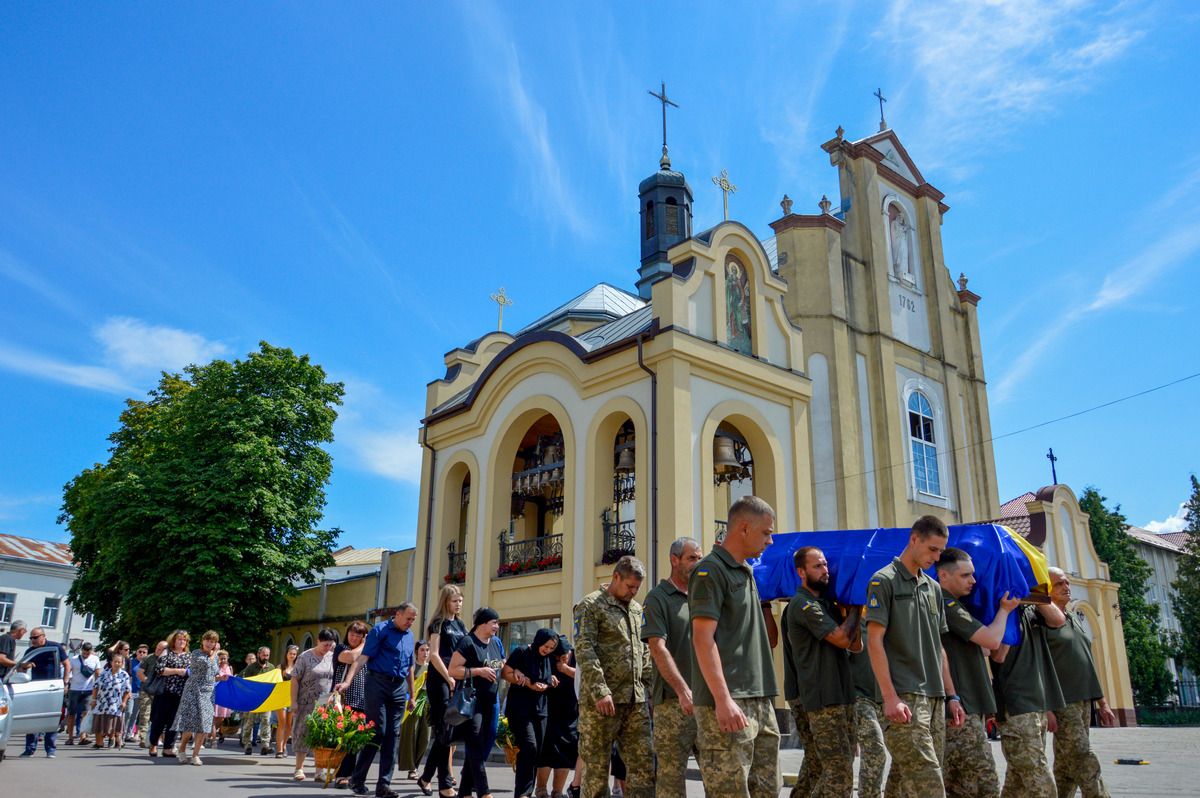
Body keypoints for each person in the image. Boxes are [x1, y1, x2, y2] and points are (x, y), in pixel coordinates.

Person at [865, 515, 966, 797]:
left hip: (934, 698)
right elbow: (874, 642)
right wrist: (889, 697)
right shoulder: (883, 581)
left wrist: (952, 696)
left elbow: (939, 646)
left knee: (904, 784)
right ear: (914, 539)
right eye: (932, 549)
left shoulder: (933, 588)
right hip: (904, 698)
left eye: (940, 551)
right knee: (929, 784)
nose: (936, 557)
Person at [690, 496, 781, 798]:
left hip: (759, 698)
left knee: (768, 788)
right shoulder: (709, 571)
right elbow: (703, 640)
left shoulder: (747, 570)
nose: (770, 540)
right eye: (766, 532)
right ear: (744, 528)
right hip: (729, 700)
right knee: (730, 791)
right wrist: (723, 699)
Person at [936, 547, 1021, 798]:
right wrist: (1005, 611)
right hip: (961, 706)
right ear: (943, 575)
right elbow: (991, 640)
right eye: (965, 575)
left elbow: (985, 649)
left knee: (968, 783)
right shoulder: (945, 603)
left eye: (973, 575)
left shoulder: (958, 605)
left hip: (969, 705)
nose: (973, 580)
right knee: (980, 783)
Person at [784, 546, 863, 797]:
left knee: (824, 767)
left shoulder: (827, 604)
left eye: (826, 564)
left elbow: (856, 645)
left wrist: (851, 608)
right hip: (822, 698)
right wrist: (854, 608)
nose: (825, 570)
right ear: (801, 572)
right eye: (817, 566)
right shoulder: (803, 605)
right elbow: (841, 639)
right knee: (838, 771)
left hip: (842, 694)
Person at [574, 555, 654, 798]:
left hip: (635, 702)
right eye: (630, 586)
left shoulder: (637, 610)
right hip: (602, 704)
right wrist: (601, 691)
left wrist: (648, 689)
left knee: (643, 766)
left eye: (637, 588)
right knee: (597, 770)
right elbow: (585, 649)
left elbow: (645, 651)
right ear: (615, 577)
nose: (633, 592)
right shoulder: (590, 605)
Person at [990, 580, 1066, 798]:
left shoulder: (1031, 610)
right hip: (1016, 705)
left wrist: (1033, 592)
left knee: (1018, 778)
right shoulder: (999, 611)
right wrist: (1008, 613)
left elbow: (1058, 620)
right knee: (1037, 774)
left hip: (1038, 702)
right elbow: (998, 656)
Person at [1045, 567, 1116, 798]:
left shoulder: (1073, 617)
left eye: (1067, 582)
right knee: (1083, 755)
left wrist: (1102, 701)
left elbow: (1087, 662)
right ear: (1046, 589)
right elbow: (1040, 665)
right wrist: (1046, 706)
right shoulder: (1043, 621)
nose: (1066, 587)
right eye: (1059, 584)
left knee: (1067, 761)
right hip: (1063, 701)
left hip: (1084, 699)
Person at [641, 536, 702, 798]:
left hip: (708, 701)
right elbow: (657, 648)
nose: (697, 564)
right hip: (672, 703)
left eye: (700, 558)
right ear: (674, 560)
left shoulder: (704, 596)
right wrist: (682, 689)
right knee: (671, 779)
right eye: (692, 558)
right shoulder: (657, 598)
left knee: (719, 773)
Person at [337, 603, 419, 798]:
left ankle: (384, 785)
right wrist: (348, 682)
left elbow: (410, 667)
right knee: (377, 731)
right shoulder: (380, 630)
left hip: (399, 688)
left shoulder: (409, 636)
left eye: (413, 620)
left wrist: (412, 695)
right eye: (408, 618)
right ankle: (357, 778)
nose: (410, 622)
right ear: (398, 615)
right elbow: (362, 658)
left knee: (393, 735)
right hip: (377, 683)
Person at [446, 607, 506, 798]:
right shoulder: (468, 642)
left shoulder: (495, 643)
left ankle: (464, 792)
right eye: (494, 622)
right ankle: (483, 791)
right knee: (475, 745)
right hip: (473, 702)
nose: (497, 626)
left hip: (491, 701)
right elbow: (452, 670)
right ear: (482, 623)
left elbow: (501, 665)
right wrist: (478, 671)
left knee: (483, 743)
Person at [419, 584, 468, 797]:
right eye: (455, 600)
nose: (459, 604)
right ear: (446, 601)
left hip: (456, 680)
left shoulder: (460, 624)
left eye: (460, 600)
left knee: (448, 732)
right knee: (444, 729)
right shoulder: (438, 624)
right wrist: (448, 676)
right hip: (440, 679)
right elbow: (434, 654)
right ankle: (444, 784)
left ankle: (426, 777)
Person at [504, 629, 560, 798]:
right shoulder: (521, 652)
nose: (547, 650)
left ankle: (526, 792)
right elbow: (505, 673)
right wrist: (526, 682)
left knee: (535, 752)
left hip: (541, 711)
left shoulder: (549, 658)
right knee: (529, 746)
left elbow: (548, 679)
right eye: (546, 646)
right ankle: (523, 792)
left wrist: (550, 683)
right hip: (521, 709)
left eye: (551, 648)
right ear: (538, 641)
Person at [172, 629, 229, 765]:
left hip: (208, 693)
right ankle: (182, 749)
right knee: (190, 723)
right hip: (193, 691)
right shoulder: (196, 653)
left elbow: (212, 674)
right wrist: (215, 652)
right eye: (208, 640)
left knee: (204, 724)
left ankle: (195, 755)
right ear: (203, 641)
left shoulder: (215, 657)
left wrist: (221, 677)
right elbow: (204, 665)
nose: (210, 643)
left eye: (213, 641)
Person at [290, 628, 337, 781]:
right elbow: (295, 679)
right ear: (318, 641)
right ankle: (299, 768)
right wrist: (294, 702)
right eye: (325, 645)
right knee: (302, 733)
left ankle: (319, 771)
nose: (327, 648)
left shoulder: (333, 656)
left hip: (325, 701)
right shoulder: (305, 657)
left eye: (330, 645)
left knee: (322, 735)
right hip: (305, 701)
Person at [18, 627, 70, 758]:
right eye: (31, 638)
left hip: (53, 688)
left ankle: (50, 749)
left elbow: (67, 664)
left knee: (52, 719)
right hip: (36, 688)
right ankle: (29, 749)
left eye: (35, 637)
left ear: (43, 636)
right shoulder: (30, 651)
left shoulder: (55, 647)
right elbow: (21, 667)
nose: (32, 640)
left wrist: (65, 683)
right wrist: (26, 666)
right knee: (33, 719)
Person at [537, 635, 578, 798]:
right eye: (557, 657)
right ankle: (541, 789)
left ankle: (558, 791)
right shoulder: (547, 659)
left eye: (564, 657)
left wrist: (566, 669)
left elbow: (585, 678)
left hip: (570, 712)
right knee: (547, 752)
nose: (561, 660)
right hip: (549, 711)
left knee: (566, 752)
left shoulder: (577, 658)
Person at [849, 619, 886, 798]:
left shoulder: (886, 622)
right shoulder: (854, 623)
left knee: (906, 757)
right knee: (875, 750)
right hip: (859, 698)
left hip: (886, 698)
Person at [333, 621, 372, 789]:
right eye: (352, 634)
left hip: (363, 699)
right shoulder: (341, 648)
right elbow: (351, 657)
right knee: (344, 738)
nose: (354, 637)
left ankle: (350, 774)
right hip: (343, 699)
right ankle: (342, 774)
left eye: (359, 635)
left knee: (355, 739)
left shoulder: (367, 651)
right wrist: (366, 644)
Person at [149, 629, 193, 758]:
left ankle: (168, 747)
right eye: (179, 639)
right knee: (159, 720)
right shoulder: (166, 652)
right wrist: (178, 671)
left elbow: (191, 672)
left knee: (174, 721)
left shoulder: (189, 656)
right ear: (173, 640)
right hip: (164, 692)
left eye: (184, 639)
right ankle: (153, 744)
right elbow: (160, 670)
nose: (182, 641)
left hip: (180, 694)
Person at [398, 640, 432, 780]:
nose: (425, 653)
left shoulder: (432, 667)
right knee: (410, 734)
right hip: (412, 702)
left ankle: (416, 765)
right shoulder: (411, 667)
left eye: (427, 650)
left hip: (427, 702)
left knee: (425, 737)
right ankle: (412, 768)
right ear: (417, 651)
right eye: (422, 650)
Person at [91, 651, 132, 749]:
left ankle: (113, 738)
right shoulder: (104, 673)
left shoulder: (124, 675)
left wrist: (124, 702)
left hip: (115, 704)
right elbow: (96, 686)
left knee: (112, 724)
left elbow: (127, 690)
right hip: (101, 703)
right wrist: (93, 699)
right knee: (99, 724)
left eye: (119, 662)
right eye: (115, 661)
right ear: (111, 662)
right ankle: (99, 743)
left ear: (122, 664)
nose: (117, 664)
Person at [239, 646, 275, 754]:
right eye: (264, 655)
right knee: (249, 722)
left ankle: (265, 745)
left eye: (267, 655)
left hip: (265, 699)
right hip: (252, 699)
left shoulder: (271, 668)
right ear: (258, 654)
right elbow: (246, 683)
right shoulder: (251, 668)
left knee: (266, 721)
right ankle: (247, 744)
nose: (265, 657)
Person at [65, 641, 100, 745]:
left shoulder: (95, 659)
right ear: (81, 650)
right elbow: (68, 671)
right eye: (84, 653)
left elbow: (97, 674)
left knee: (85, 714)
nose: (85, 655)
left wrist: (97, 689)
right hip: (74, 689)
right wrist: (66, 683)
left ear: (91, 651)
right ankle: (70, 737)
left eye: (87, 653)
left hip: (88, 690)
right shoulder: (74, 659)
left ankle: (82, 737)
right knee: (71, 714)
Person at [138, 641, 166, 748]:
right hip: (146, 690)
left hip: (159, 692)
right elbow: (140, 672)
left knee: (157, 716)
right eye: (157, 648)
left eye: (161, 649)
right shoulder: (148, 658)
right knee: (145, 715)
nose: (158, 650)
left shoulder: (167, 660)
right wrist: (147, 682)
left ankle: (155, 738)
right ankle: (143, 738)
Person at [276, 644, 300, 758]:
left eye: (294, 654)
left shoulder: (298, 667)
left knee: (289, 724)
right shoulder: (280, 667)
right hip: (281, 698)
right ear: (286, 654)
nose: (292, 656)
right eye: (290, 653)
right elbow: (275, 682)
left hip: (292, 698)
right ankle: (279, 749)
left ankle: (284, 745)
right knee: (282, 722)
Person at [211, 649, 234, 745]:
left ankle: (212, 734)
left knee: (222, 718)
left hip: (226, 695)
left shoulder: (230, 668)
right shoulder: (215, 668)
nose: (223, 660)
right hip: (216, 694)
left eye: (225, 658)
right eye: (221, 658)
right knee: (215, 717)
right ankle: (212, 738)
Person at [125, 643, 147, 743]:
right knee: (128, 713)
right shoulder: (131, 662)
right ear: (136, 652)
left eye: (144, 652)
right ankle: (123, 732)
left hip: (141, 692)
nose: (141, 654)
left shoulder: (146, 664)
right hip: (131, 691)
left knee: (136, 715)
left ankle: (130, 734)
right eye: (140, 652)